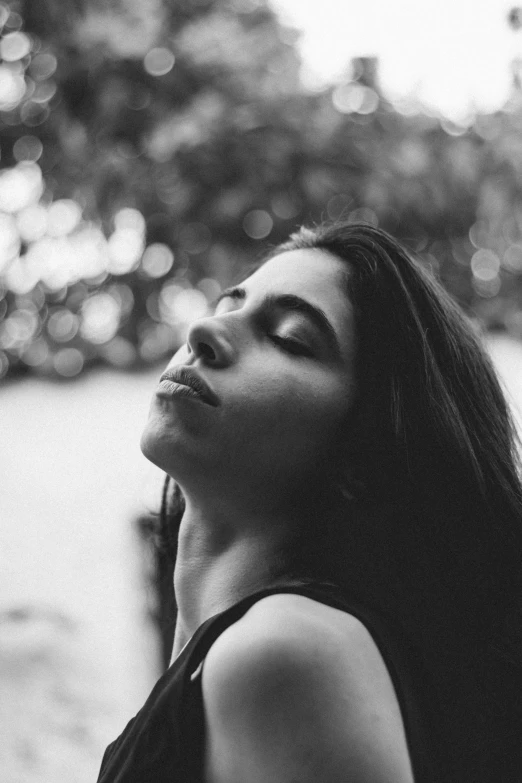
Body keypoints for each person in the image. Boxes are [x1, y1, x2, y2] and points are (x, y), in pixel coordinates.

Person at [97, 221, 522, 783]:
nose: (204, 330)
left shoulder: (284, 652)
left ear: (363, 459)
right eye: (229, 303)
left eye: (290, 338)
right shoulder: (237, 658)